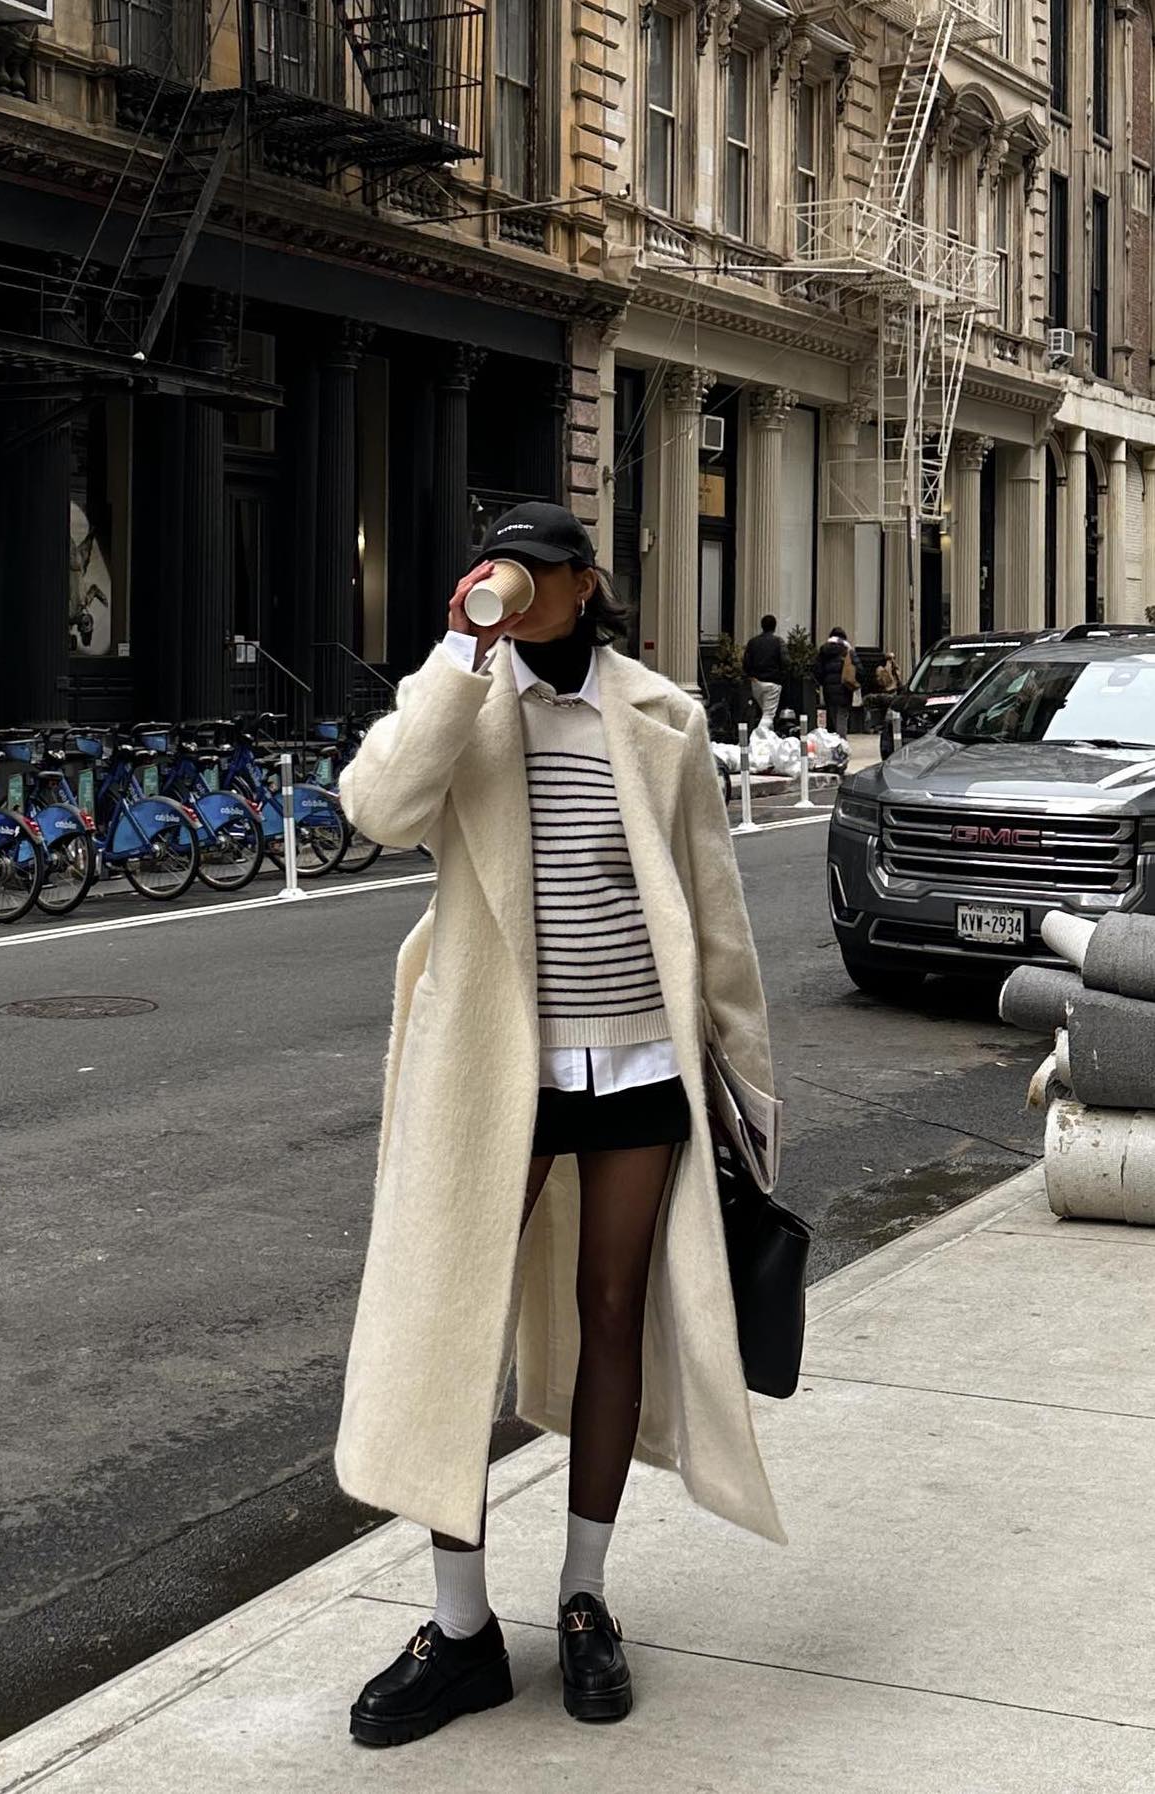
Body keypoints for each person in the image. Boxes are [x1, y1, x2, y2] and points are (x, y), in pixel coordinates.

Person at [336, 499, 784, 1746]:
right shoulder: (466, 705)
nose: (515, 592)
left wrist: (746, 1081)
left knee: (609, 1312)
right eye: (499, 573)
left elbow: (713, 907)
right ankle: (461, 1626)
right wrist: (452, 659)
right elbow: (374, 808)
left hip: (639, 1059)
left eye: (537, 576)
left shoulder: (661, 718)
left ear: (585, 586)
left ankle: (584, 1599)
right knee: (452, 1318)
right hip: (496, 1069)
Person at [743, 613, 788, 726]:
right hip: (773, 682)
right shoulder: (778, 642)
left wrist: (751, 675)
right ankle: (760, 738)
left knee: (764, 712)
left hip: (756, 682)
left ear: (762, 626)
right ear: (775, 626)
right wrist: (781, 675)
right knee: (768, 715)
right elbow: (786, 661)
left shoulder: (752, 642)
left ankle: (768, 737)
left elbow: (746, 662)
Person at [814, 626, 858, 737]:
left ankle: (833, 744)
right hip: (845, 689)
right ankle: (841, 746)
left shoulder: (824, 650)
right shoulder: (848, 651)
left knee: (832, 719)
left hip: (829, 690)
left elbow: (817, 670)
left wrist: (823, 682)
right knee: (842, 719)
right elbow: (859, 669)